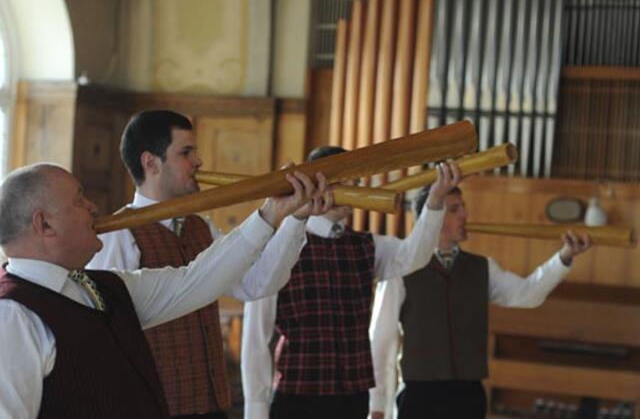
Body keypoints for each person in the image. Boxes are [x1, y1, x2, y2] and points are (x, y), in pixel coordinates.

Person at [0, 162, 326, 419]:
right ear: (44, 224)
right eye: (79, 199)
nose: (93, 207)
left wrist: (273, 213)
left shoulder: (107, 287)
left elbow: (196, 281)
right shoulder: (13, 316)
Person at [86, 110, 332, 419]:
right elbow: (110, 335)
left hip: (211, 405)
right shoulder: (118, 234)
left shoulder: (201, 227)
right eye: (186, 153)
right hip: (153, 407)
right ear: (150, 162)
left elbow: (257, 284)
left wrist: (295, 217)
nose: (198, 162)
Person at [241, 146, 462, 419]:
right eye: (342, 180)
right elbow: (256, 338)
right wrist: (256, 411)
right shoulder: (278, 248)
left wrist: (436, 200)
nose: (352, 188)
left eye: (355, 181)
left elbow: (412, 257)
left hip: (354, 397)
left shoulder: (366, 245)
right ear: (316, 183)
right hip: (298, 396)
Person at [369, 185, 592, 419]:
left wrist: (564, 256)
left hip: (469, 396)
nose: (465, 215)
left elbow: (527, 294)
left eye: (463, 207)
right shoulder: (399, 271)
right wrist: (376, 406)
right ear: (431, 216)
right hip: (419, 397)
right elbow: (380, 341)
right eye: (455, 209)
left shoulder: (482, 268)